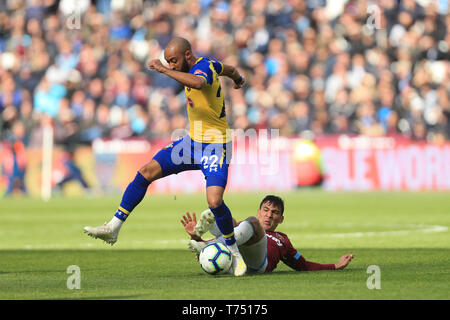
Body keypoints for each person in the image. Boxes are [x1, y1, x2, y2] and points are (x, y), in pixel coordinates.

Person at [84, 37, 248, 276]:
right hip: (191, 144)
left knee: (214, 201)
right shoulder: (210, 64)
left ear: (188, 55)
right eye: (168, 62)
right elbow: (230, 69)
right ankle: (114, 227)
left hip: (216, 145)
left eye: (174, 61)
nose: (171, 65)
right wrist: (238, 79)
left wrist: (162, 70)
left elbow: (199, 83)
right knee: (145, 172)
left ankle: (234, 253)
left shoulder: (202, 69)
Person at [181, 195, 355, 274]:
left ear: (281, 219)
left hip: (258, 265)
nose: (269, 215)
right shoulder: (243, 228)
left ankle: (209, 247)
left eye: (275, 212)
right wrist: (196, 238)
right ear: (259, 211)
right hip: (234, 262)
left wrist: (335, 266)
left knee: (243, 226)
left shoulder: (282, 239)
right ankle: (208, 245)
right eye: (266, 210)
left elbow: (303, 265)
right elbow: (232, 233)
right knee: (226, 219)